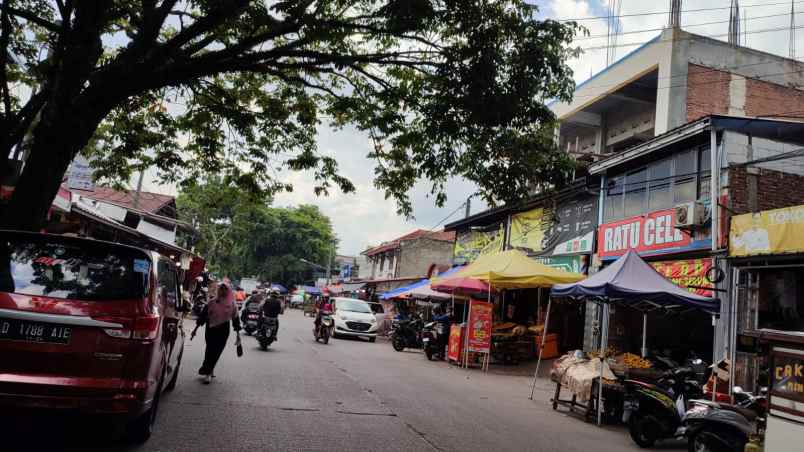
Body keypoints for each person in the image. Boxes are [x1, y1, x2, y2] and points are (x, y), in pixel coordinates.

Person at [192, 282, 241, 384]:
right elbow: (203, 316)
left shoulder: (232, 304)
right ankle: (208, 371)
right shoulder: (212, 302)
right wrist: (195, 329)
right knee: (210, 350)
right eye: (221, 289)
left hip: (223, 330)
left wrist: (238, 334)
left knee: (217, 351)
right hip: (210, 329)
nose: (222, 291)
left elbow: (235, 319)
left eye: (225, 289)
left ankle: (208, 370)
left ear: (228, 291)